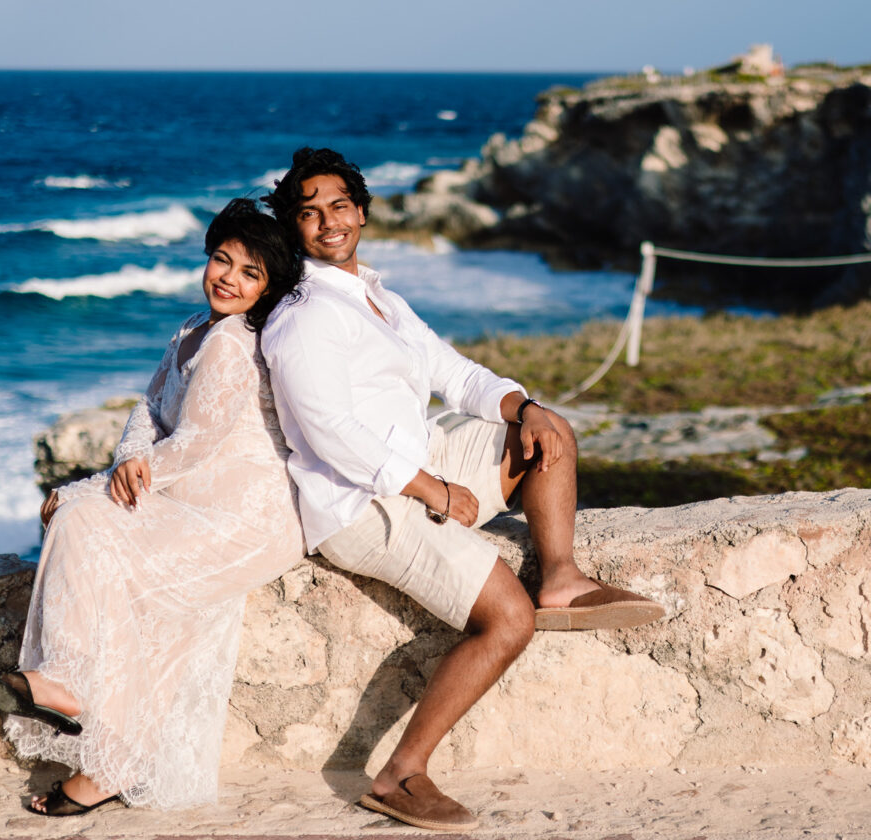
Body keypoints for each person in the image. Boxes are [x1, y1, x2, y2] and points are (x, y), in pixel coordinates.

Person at [260, 146, 665, 833]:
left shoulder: (378, 297)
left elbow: (456, 373)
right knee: (508, 619)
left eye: (339, 205)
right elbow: (329, 432)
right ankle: (399, 775)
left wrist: (523, 406)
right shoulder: (303, 314)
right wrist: (434, 490)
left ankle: (561, 578)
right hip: (361, 505)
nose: (328, 221)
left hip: (417, 461)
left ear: (362, 211)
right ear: (293, 227)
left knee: (549, 434)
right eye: (309, 212)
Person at [0, 198, 306, 815]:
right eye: (221, 260)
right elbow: (147, 409)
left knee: (84, 520)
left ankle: (74, 699)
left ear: (267, 288)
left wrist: (87, 486)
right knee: (91, 533)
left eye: (249, 273)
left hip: (245, 517)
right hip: (191, 496)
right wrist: (125, 457)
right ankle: (97, 742)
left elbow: (196, 445)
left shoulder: (233, 344)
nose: (228, 279)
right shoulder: (193, 327)